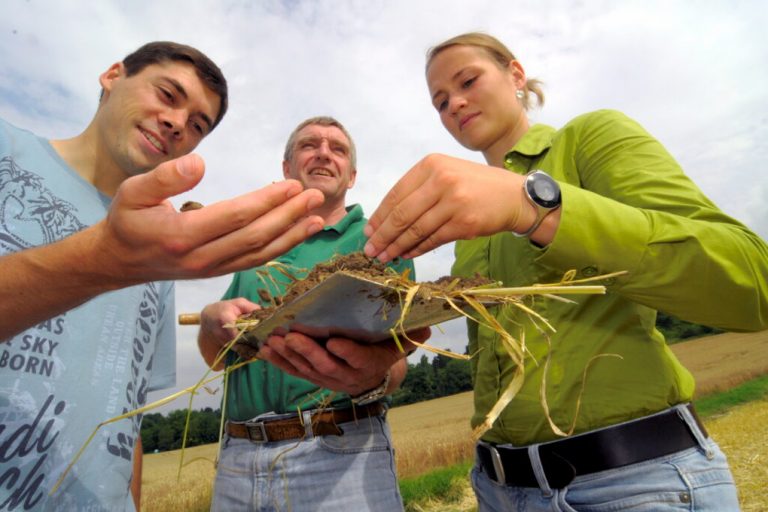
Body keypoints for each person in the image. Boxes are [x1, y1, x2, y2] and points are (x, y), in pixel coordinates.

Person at [267, 33, 768, 511]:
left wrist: (536, 207)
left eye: (467, 82)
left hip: (635, 480)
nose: (454, 105)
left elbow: (750, 283)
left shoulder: (590, 139)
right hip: (501, 489)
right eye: (440, 101)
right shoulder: (468, 230)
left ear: (516, 76)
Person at [0, 42, 325, 511]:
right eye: (168, 95)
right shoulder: (9, 152)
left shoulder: (161, 245)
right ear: (112, 75)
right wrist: (105, 261)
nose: (177, 123)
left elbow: (126, 414)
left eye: (198, 125)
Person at [197, 116, 422, 511]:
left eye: (337, 149)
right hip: (238, 461)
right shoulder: (259, 244)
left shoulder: (381, 242)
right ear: (287, 168)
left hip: (340, 454)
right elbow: (216, 359)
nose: (323, 153)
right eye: (309, 145)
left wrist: (373, 375)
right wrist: (208, 321)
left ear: (351, 176)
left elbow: (398, 359)